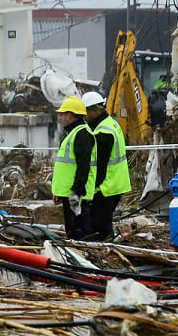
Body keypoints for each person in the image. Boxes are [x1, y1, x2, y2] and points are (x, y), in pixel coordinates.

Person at [82, 90, 131, 240]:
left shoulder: (103, 132)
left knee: (97, 227)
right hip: (116, 183)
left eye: (86, 112)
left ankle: (102, 251)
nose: (84, 116)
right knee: (103, 223)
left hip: (106, 186)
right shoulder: (111, 124)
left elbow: (100, 165)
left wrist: (91, 189)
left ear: (95, 111)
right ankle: (107, 245)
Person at [50, 96, 94, 239]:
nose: (60, 118)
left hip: (76, 195)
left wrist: (76, 192)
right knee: (73, 232)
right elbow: (66, 167)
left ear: (70, 115)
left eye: (62, 114)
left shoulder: (82, 135)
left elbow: (83, 166)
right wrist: (58, 191)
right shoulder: (74, 133)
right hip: (70, 193)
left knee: (78, 234)